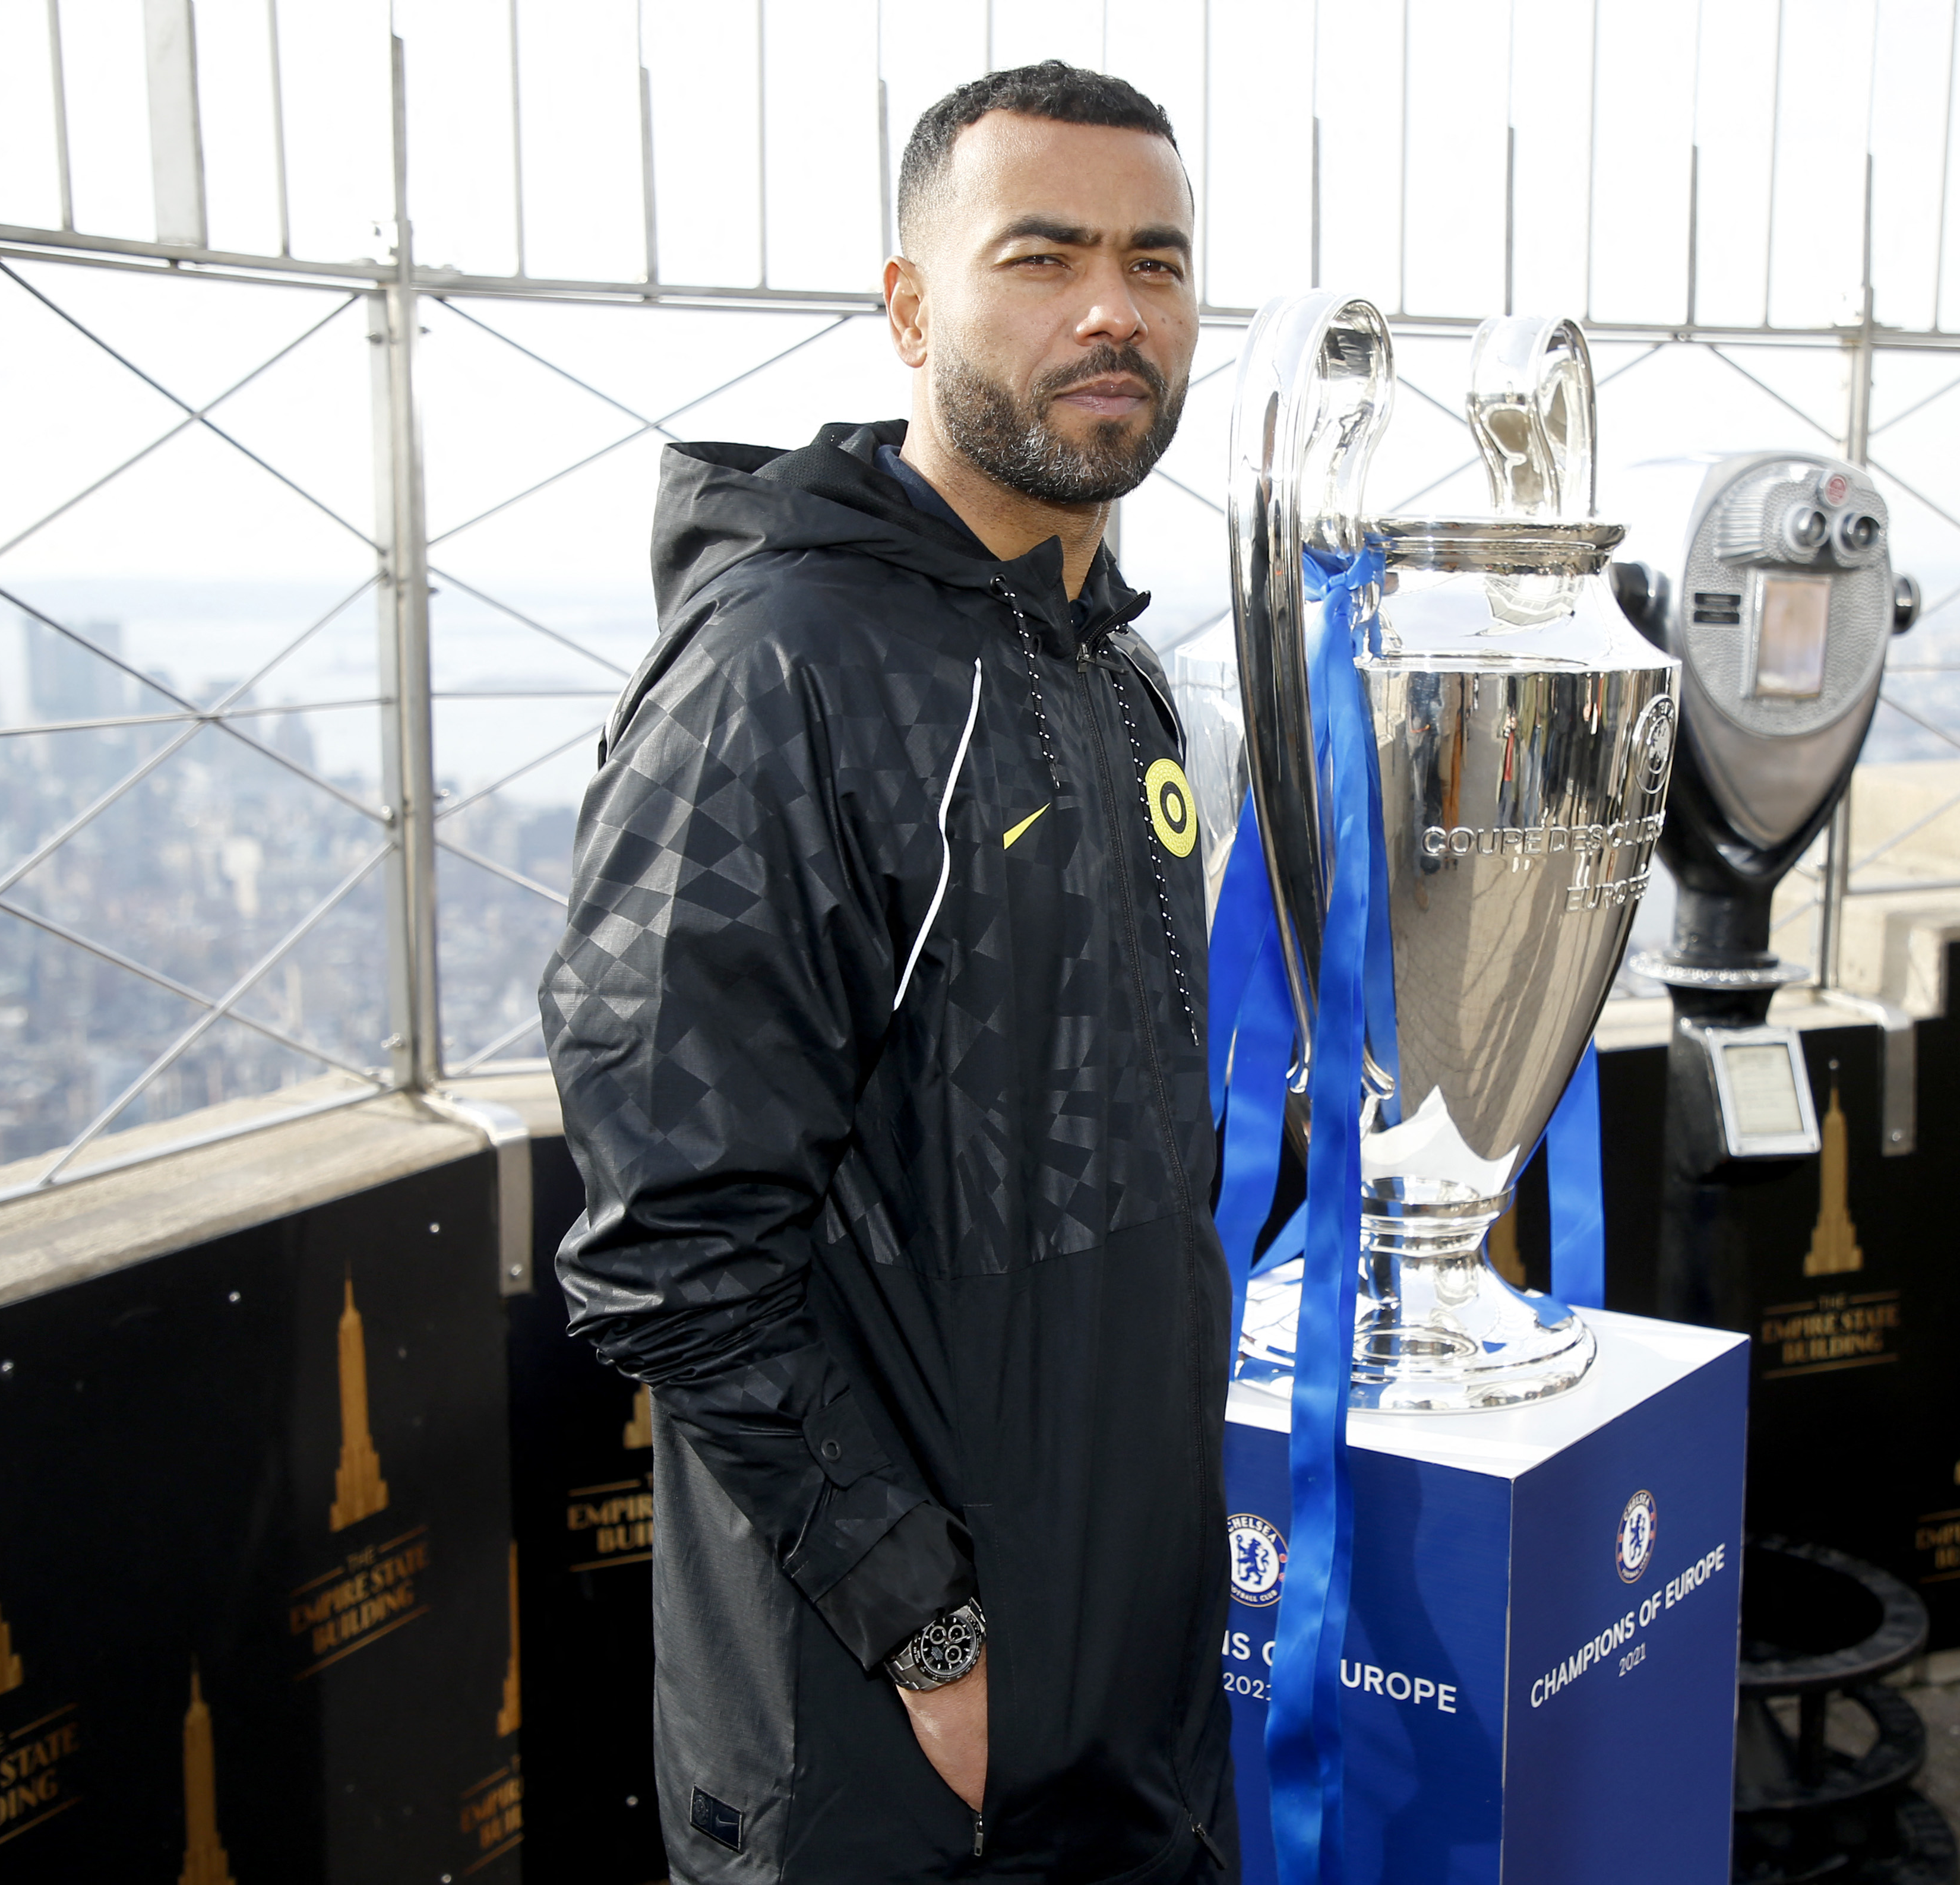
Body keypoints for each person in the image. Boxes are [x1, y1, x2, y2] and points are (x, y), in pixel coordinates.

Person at [542, 61, 1232, 1885]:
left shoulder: (1117, 670)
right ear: (910, 306)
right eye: (1044, 255)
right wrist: (928, 1637)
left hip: (1131, 1690)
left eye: (1157, 265)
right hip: (889, 1727)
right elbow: (669, 1248)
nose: (1112, 309)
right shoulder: (779, 675)